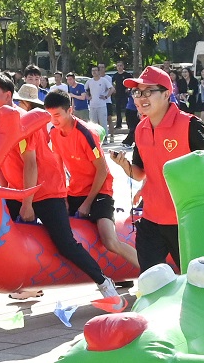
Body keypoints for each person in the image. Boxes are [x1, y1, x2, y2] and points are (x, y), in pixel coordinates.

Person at [0, 72, 120, 311]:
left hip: (45, 191)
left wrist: (27, 203)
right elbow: (1, 162)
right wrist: (3, 194)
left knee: (65, 243)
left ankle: (104, 283)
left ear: (8, 96)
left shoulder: (22, 121)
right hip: (18, 190)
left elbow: (31, 164)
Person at [110, 66, 204, 271]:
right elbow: (139, 173)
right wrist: (124, 165)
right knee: (150, 278)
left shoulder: (189, 124)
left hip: (186, 220)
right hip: (151, 219)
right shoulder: (141, 128)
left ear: (166, 94)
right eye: (137, 92)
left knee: (196, 278)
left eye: (148, 92)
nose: (141, 98)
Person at [43, 90, 138, 267]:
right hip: (75, 191)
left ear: (70, 110)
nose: (53, 120)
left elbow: (102, 171)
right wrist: (63, 198)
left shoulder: (86, 134)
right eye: (50, 115)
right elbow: (58, 169)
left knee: (110, 242)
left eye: (57, 115)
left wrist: (87, 203)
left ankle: (151, 270)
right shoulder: (54, 134)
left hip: (100, 191)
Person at [86, 64, 113, 132]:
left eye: (95, 70)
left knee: (103, 123)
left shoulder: (103, 80)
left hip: (101, 105)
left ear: (98, 71)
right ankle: (95, 137)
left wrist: (106, 96)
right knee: (93, 124)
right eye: (92, 71)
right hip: (92, 106)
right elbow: (85, 90)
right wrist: (88, 97)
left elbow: (112, 89)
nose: (94, 72)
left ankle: (105, 137)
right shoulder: (89, 81)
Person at [112, 60, 132, 132]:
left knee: (127, 110)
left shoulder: (127, 74)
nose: (119, 67)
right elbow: (111, 83)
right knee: (118, 110)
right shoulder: (115, 75)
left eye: (120, 65)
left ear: (123, 66)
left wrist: (128, 88)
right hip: (118, 95)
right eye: (118, 66)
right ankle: (118, 124)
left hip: (125, 95)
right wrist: (113, 88)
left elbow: (132, 82)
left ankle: (129, 124)